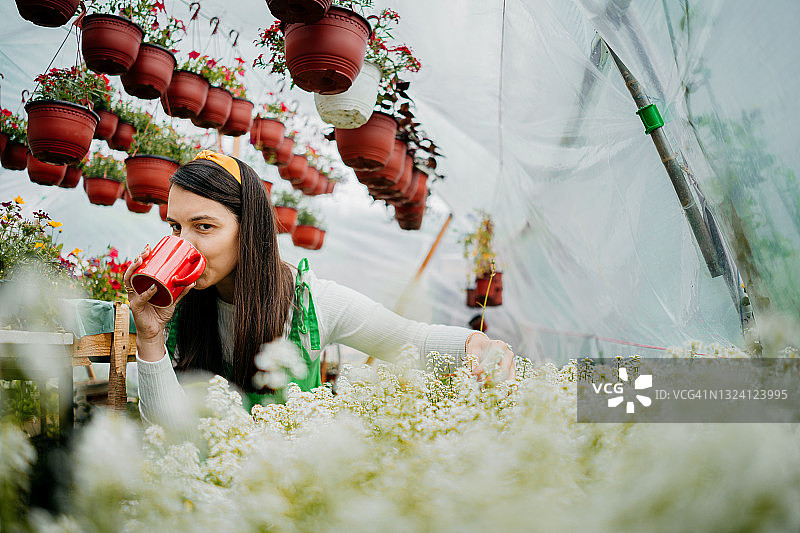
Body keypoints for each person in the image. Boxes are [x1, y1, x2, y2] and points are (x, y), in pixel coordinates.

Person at [125, 151, 515, 426]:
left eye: (203, 226)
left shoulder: (308, 302)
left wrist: (475, 346)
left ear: (249, 231)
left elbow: (407, 339)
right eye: (176, 227)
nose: (182, 243)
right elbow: (169, 427)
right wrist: (150, 335)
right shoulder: (176, 311)